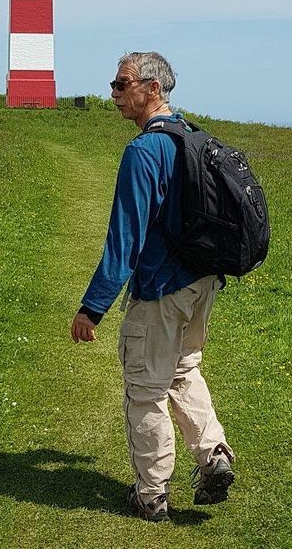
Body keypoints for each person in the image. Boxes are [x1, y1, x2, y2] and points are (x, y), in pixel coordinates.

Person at [70, 51, 235, 523]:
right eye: (114, 83)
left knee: (146, 389)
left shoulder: (143, 151)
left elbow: (125, 239)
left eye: (122, 84)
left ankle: (151, 493)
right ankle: (214, 457)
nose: (114, 93)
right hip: (203, 283)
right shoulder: (196, 139)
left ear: (153, 88)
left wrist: (93, 308)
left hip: (162, 289)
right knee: (184, 370)